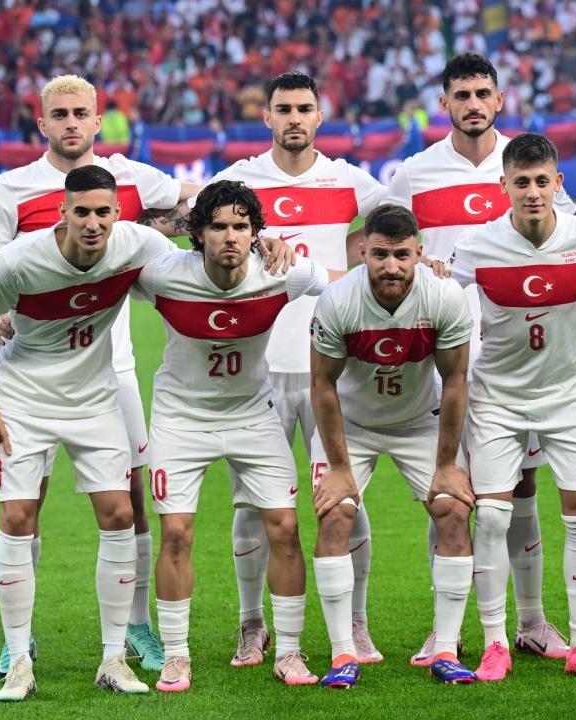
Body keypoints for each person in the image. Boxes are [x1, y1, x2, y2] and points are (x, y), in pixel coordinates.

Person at [0, 74, 200, 680]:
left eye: (81, 113)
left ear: (99, 120)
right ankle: (17, 640)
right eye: (60, 114)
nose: (71, 123)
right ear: (42, 123)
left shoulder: (130, 178)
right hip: (32, 369)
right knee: (26, 504)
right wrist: (2, 314)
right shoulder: (12, 188)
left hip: (110, 367)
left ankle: (136, 626)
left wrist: (217, 227)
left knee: (130, 503)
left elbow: (197, 204)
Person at [383, 53, 574, 664]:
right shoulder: (414, 174)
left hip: (513, 357)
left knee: (520, 488)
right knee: (448, 491)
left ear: (499, 99)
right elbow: (385, 245)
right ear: (444, 103)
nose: (472, 104)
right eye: (461, 94)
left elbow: (565, 245)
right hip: (437, 358)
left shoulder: (524, 167)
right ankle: (449, 629)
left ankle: (532, 620)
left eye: (482, 93)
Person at [204, 70, 389, 668]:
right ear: (267, 116)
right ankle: (251, 623)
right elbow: (197, 234)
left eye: (303, 108)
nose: (293, 118)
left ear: (319, 115)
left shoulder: (349, 181)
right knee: (251, 505)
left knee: (344, 501)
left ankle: (356, 624)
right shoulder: (239, 182)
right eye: (282, 108)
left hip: (331, 371)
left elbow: (391, 233)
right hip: (257, 370)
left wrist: (350, 268)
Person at [130, 180, 324, 692]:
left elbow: (345, 284)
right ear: (198, 232)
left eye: (241, 226)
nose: (230, 236)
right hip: (181, 420)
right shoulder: (163, 274)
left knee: (285, 527)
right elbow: (108, 252)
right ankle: (176, 657)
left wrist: (425, 272)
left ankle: (289, 651)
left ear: (256, 232)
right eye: (218, 226)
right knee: (176, 533)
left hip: (253, 417)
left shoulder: (283, 272)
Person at [452, 132, 576, 681]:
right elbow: (437, 293)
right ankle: (495, 643)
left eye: (541, 181)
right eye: (520, 182)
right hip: (497, 399)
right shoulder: (478, 245)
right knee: (492, 516)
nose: (531, 192)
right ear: (503, 185)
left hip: (568, 396)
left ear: (558, 183)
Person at [308, 204, 478, 688]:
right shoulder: (337, 300)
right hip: (352, 424)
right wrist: (339, 468)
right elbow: (322, 384)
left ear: (419, 253)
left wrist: (447, 463)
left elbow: (455, 381)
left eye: (402, 255)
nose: (391, 266)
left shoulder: (444, 296)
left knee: (453, 510)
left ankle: (446, 647)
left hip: (419, 422)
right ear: (363, 251)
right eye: (380, 254)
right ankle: (344, 653)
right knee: (334, 515)